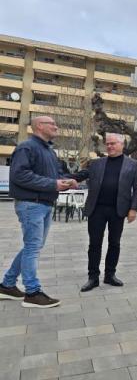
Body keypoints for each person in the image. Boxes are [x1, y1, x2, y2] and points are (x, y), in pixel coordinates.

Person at [0, 116, 76, 308]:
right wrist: (53, 184)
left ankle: (7, 285)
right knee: (33, 247)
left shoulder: (48, 151)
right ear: (39, 126)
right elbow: (19, 175)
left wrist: (67, 181)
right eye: (53, 124)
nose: (56, 126)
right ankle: (32, 293)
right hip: (30, 204)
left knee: (32, 246)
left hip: (44, 204)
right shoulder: (27, 147)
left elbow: (56, 176)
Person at [73, 133, 137, 292]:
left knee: (114, 243)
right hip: (97, 209)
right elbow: (83, 174)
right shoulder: (97, 163)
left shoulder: (133, 164)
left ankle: (110, 275)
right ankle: (93, 277)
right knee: (95, 243)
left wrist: (133, 209)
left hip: (118, 210)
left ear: (122, 145)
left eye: (113, 143)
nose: (109, 146)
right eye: (108, 144)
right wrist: (69, 179)